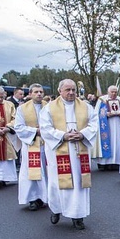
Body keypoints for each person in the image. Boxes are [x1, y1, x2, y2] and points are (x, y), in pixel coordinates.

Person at [39, 79, 99, 230]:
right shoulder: (49, 108)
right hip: (58, 150)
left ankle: (78, 216)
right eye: (67, 90)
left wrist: (82, 134)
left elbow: (94, 123)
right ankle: (56, 209)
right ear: (60, 91)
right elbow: (45, 128)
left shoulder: (85, 106)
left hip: (79, 151)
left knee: (78, 183)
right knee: (56, 182)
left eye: (73, 89)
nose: (71, 92)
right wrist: (62, 136)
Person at [14, 83, 48, 210]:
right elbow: (18, 127)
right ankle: (33, 198)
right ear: (30, 94)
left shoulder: (49, 107)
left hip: (47, 145)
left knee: (47, 171)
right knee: (30, 173)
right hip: (31, 145)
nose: (39, 94)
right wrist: (36, 131)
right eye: (36, 92)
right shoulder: (22, 109)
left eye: (41, 91)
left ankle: (46, 197)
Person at [94, 85, 120, 171]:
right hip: (106, 125)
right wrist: (106, 115)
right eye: (112, 92)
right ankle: (104, 163)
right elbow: (95, 114)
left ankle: (117, 162)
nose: (114, 93)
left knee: (117, 142)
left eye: (115, 92)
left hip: (118, 125)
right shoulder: (102, 100)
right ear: (108, 92)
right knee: (107, 142)